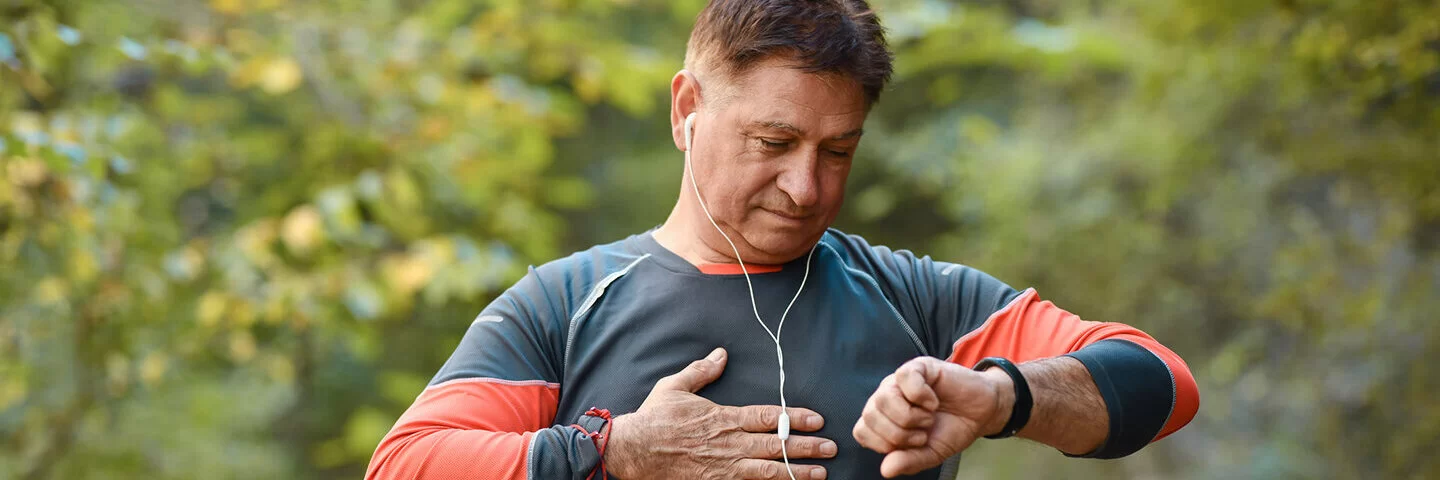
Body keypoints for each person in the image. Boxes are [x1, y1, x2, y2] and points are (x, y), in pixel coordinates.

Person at [365, 0, 1200, 478]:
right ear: (687, 111)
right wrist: (612, 449)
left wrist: (1002, 397)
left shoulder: (918, 298)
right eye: (773, 144)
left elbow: (1162, 385)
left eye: (838, 152)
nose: (807, 188)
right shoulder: (565, 303)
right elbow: (405, 467)